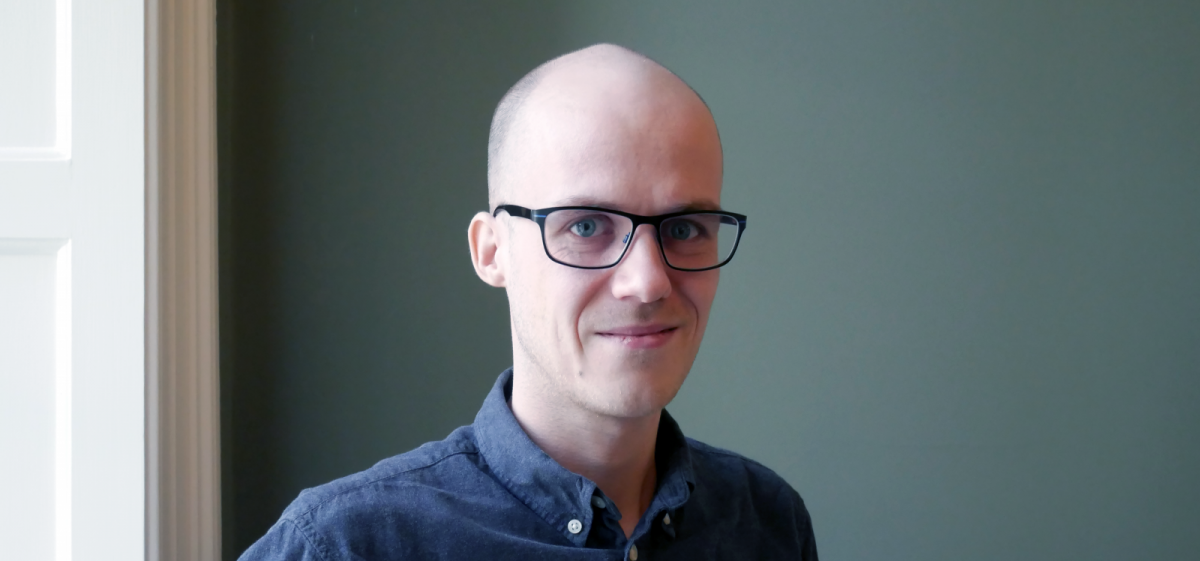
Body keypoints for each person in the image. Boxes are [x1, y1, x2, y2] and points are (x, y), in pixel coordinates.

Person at [240, 43, 817, 560]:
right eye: (586, 226)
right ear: (492, 252)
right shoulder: (346, 545)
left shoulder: (767, 522)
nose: (647, 282)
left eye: (685, 228)